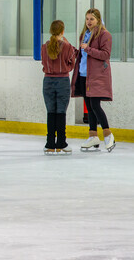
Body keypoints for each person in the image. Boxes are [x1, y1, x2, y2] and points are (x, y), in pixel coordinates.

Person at [71, 8, 115, 152]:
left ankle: (108, 135)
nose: (89, 22)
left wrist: (88, 49)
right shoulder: (84, 34)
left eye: (92, 19)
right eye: (87, 19)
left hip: (96, 76)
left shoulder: (104, 34)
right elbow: (83, 55)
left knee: (95, 105)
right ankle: (93, 136)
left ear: (98, 20)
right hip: (84, 75)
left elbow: (105, 54)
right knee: (89, 107)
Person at [41, 20, 76, 155]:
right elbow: (72, 61)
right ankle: (61, 142)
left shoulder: (45, 47)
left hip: (48, 81)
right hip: (62, 81)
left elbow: (43, 63)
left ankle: (50, 144)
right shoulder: (67, 46)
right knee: (61, 112)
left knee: (51, 112)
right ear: (62, 31)